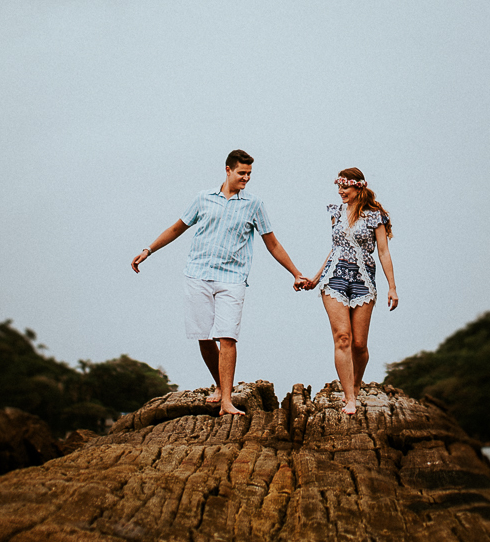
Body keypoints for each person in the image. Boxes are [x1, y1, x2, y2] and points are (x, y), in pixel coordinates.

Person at [131, 149, 309, 416]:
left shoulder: (254, 204)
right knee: (204, 337)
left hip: (233, 279)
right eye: (242, 173)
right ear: (228, 170)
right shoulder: (203, 199)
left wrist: (295, 272)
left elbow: (272, 243)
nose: (246, 178)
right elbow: (176, 228)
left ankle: (227, 400)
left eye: (249, 174)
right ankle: (219, 384)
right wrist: (148, 250)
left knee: (227, 337)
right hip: (198, 274)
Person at [302, 167, 398, 415]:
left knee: (359, 344)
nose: (341, 191)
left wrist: (392, 287)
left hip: (363, 279)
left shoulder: (374, 216)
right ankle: (349, 398)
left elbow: (384, 252)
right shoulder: (336, 212)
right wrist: (315, 277)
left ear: (359, 187)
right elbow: (334, 248)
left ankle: (356, 385)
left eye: (345, 187)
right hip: (334, 277)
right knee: (342, 337)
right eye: (339, 187)